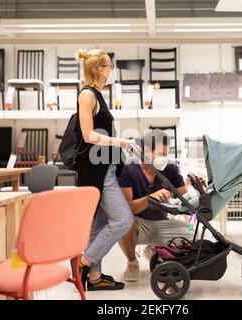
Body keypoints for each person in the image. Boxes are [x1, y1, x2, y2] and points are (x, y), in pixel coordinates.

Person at [75, 48, 135, 291]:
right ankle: (84, 261)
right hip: (96, 171)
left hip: (105, 167)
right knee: (123, 219)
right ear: (100, 70)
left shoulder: (98, 94)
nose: (111, 70)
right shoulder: (87, 95)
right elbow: (89, 136)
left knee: (98, 223)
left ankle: (95, 276)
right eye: (109, 66)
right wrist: (120, 141)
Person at [118, 130, 205, 282]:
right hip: (138, 225)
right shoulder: (128, 169)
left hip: (162, 223)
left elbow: (180, 195)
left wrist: (192, 185)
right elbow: (128, 208)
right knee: (121, 221)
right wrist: (149, 199)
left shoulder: (169, 168)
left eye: (166, 153)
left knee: (194, 239)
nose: (164, 158)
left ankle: (154, 250)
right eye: (160, 153)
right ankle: (132, 263)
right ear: (145, 151)